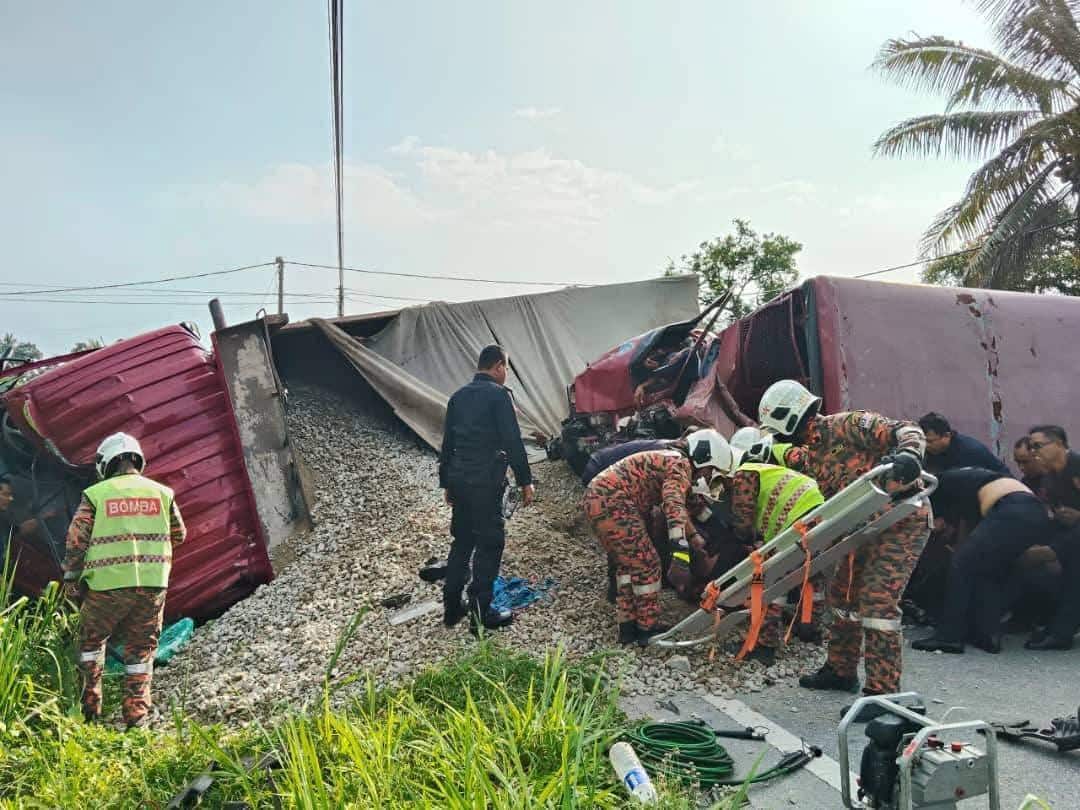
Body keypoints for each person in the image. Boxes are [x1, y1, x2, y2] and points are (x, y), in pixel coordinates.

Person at [757, 380, 929, 708]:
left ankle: (883, 694)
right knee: (842, 600)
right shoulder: (809, 451)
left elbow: (907, 430)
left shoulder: (847, 425)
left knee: (877, 604)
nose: (778, 436)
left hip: (898, 520)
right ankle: (841, 670)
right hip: (856, 526)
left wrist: (909, 455)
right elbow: (780, 454)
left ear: (789, 416)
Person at [62, 433, 186, 729]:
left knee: (90, 644)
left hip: (107, 587)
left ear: (105, 463)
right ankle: (137, 719)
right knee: (141, 652)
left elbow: (76, 541)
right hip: (153, 586)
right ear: (137, 459)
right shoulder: (162, 493)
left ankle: (89, 713)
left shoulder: (97, 494)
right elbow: (179, 534)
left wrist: (71, 577)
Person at [584, 429, 730, 645]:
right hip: (614, 502)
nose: (707, 477)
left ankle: (627, 626)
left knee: (627, 565)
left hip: (598, 498)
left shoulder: (669, 458)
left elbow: (692, 505)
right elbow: (673, 505)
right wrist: (681, 555)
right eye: (710, 471)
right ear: (703, 457)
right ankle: (647, 628)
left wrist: (697, 536)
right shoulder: (680, 465)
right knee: (648, 564)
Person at [439, 344, 535, 633]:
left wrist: (446, 482)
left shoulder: (457, 397)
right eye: (505, 369)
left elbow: (447, 444)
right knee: (489, 543)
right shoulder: (498, 396)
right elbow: (512, 441)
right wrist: (525, 479)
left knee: (462, 541)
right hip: (485, 481)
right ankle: (481, 615)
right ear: (499, 367)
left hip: (459, 479)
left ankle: (452, 608)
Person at [703, 445, 826, 664]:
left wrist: (742, 541)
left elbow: (743, 520)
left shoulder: (745, 473)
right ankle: (808, 627)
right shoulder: (768, 472)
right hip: (817, 510)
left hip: (795, 520)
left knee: (768, 579)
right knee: (810, 573)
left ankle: (763, 645)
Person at [911, 468, 1049, 654]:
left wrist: (958, 552)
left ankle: (949, 637)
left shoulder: (941, 483)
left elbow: (963, 528)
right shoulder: (973, 479)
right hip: (1034, 513)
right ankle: (986, 635)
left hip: (1012, 509)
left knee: (961, 565)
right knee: (989, 572)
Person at [1024, 426, 1080, 650]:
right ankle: (1058, 627)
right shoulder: (1050, 476)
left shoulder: (1076, 465)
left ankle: (1061, 632)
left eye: (1037, 446)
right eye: (1031, 447)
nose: (1033, 452)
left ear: (1058, 444)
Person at [918, 413, 1010, 475]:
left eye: (930, 441)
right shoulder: (931, 452)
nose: (926, 445)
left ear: (946, 436)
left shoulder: (969, 452)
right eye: (922, 441)